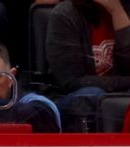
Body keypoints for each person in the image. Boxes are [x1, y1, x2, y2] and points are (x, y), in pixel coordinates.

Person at [47, 0, 130, 131]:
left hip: (122, 91)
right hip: (76, 97)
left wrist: (118, 12)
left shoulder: (125, 10)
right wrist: (125, 83)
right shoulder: (65, 14)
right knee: (92, 94)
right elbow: (72, 81)